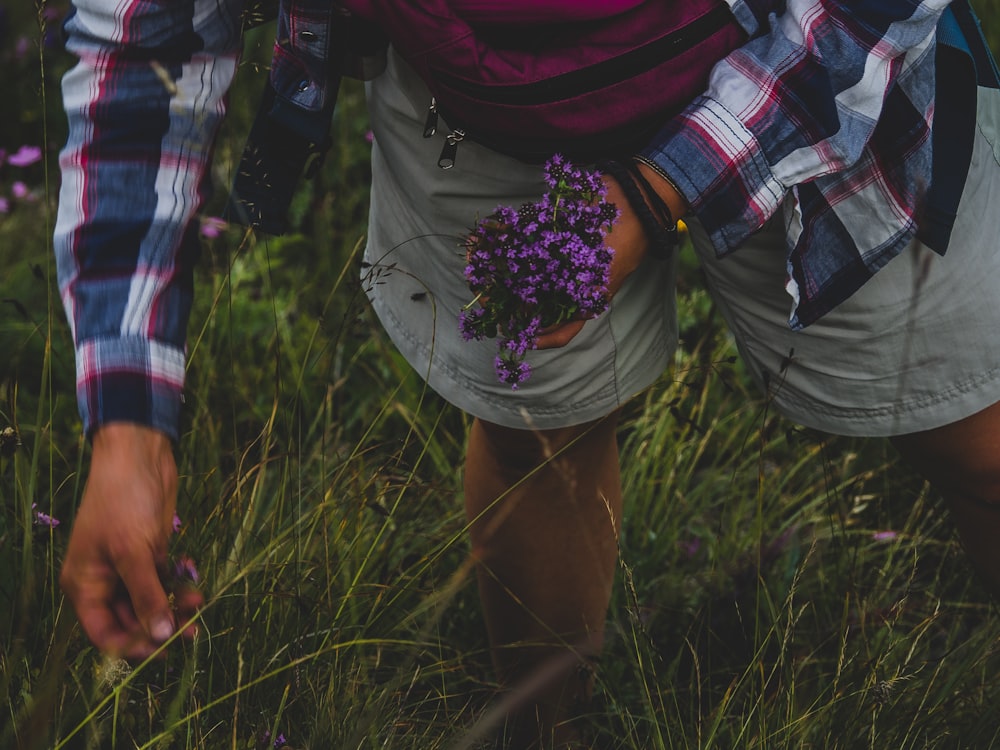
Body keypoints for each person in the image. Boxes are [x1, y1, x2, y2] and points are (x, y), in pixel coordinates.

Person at [54, 0, 1000, 747]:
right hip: (476, 98)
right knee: (535, 437)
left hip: (813, 63)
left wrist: (658, 189)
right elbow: (146, 46)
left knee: (979, 432)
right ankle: (548, 736)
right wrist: (129, 425)